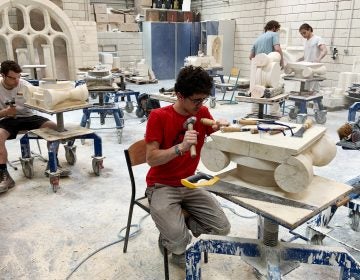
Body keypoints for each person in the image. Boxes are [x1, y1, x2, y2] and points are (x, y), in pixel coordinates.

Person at [144, 65, 231, 267]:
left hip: (190, 183)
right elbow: (151, 158)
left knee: (222, 229)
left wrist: (221, 129)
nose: (200, 105)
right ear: (179, 95)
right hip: (162, 185)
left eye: (204, 99)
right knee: (178, 243)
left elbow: (218, 143)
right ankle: (173, 240)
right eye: (196, 100)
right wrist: (180, 148)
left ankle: (184, 225)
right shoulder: (159, 116)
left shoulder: (202, 112)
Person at [0, 60, 70, 194]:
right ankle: (4, 175)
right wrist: (5, 112)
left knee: (55, 128)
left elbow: (41, 99)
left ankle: (52, 164)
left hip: (29, 116)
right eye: (13, 78)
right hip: (8, 119)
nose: (17, 81)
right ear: (3, 75)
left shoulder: (25, 85)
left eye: (18, 77)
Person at [297, 23, 328, 92]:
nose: (303, 35)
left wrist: (318, 59)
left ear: (309, 30)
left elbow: (324, 50)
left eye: (304, 33)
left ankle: (317, 102)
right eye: (301, 34)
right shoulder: (305, 41)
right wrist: (299, 59)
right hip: (306, 69)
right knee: (305, 90)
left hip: (314, 69)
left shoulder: (317, 39)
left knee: (314, 90)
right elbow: (306, 55)